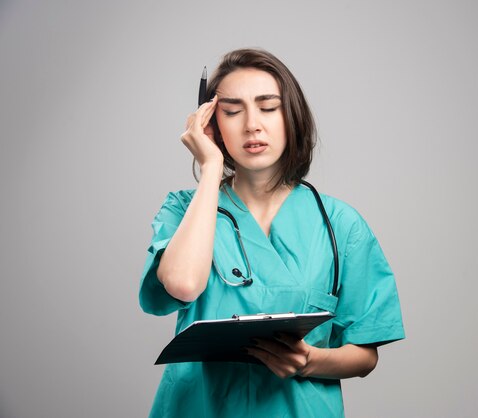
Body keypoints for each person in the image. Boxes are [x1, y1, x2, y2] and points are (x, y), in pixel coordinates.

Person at [139, 48, 404, 418]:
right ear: (210, 124)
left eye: (268, 107)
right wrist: (211, 166)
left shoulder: (340, 224)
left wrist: (309, 361)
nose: (252, 125)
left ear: (292, 116)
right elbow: (182, 284)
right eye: (232, 112)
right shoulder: (185, 209)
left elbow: (364, 354)